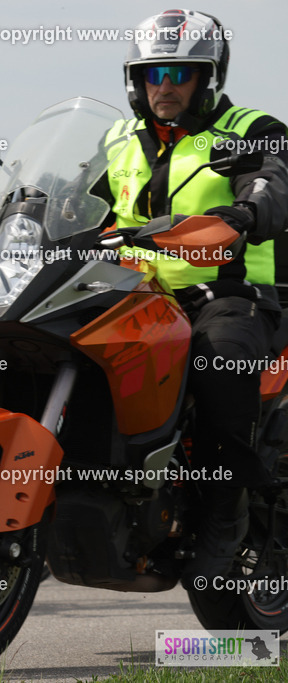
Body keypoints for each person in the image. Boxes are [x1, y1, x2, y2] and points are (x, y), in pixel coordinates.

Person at [106, 9, 288, 585]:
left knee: (217, 362)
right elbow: (70, 199)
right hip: (134, 293)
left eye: (179, 72)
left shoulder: (254, 128)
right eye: (152, 72)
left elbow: (272, 180)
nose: (164, 85)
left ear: (208, 77)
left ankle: (222, 512)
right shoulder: (115, 137)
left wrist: (247, 209)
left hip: (232, 294)